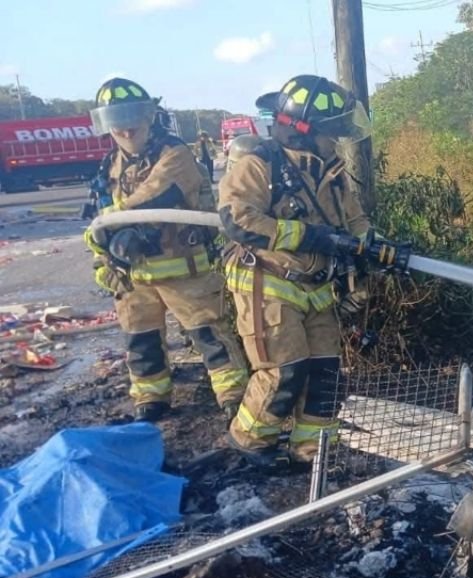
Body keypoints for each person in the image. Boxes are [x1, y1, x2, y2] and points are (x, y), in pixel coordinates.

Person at [218, 74, 402, 466]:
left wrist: (374, 243)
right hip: (267, 281)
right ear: (303, 131)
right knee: (284, 371)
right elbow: (238, 219)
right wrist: (307, 236)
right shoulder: (258, 164)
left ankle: (312, 451)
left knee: (326, 371)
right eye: (331, 133)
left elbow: (354, 219)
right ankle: (250, 443)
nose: (336, 141)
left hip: (316, 286)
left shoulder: (330, 170)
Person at [85, 77, 247, 422]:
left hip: (184, 269)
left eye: (133, 119)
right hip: (133, 276)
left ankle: (234, 398)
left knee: (210, 337)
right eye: (117, 122)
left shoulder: (175, 154)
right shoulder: (109, 165)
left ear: (149, 117)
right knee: (140, 343)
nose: (126, 130)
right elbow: (98, 218)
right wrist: (103, 259)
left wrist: (115, 219)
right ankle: (151, 399)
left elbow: (155, 196)